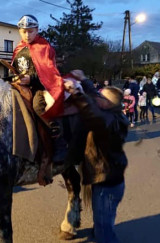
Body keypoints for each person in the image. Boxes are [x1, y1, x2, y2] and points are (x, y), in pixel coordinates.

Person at [65, 85, 128, 243]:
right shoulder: (116, 115)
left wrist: (76, 92)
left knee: (103, 230)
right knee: (107, 218)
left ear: (107, 104)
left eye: (100, 97)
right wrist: (83, 80)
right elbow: (95, 98)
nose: (96, 97)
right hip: (113, 180)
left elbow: (90, 111)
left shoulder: (105, 122)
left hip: (105, 184)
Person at [11, 14, 65, 186]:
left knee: (38, 105)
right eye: (24, 31)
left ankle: (55, 135)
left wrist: (31, 80)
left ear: (37, 30)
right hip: (21, 88)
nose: (27, 35)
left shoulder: (44, 46)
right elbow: (16, 70)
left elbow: (47, 71)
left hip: (40, 87)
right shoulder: (19, 48)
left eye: (30, 31)